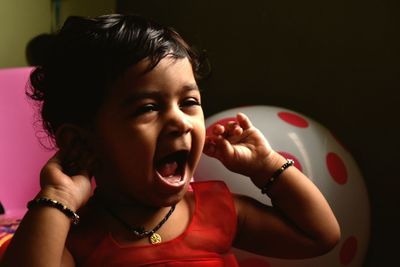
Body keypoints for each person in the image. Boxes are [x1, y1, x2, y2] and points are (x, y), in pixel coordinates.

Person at [1, 14, 340, 266]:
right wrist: (57, 198)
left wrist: (266, 165)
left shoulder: (217, 209)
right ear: (81, 144)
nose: (179, 120)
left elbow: (319, 235)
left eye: (189, 102)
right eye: (148, 108)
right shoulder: (73, 234)